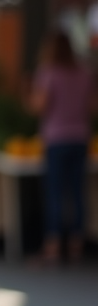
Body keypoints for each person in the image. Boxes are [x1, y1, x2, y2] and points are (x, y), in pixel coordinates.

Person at [30, 31, 93, 264]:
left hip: (56, 137)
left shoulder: (48, 73)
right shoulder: (83, 73)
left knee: (55, 192)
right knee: (77, 192)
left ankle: (54, 246)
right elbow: (91, 104)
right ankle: (76, 246)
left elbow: (40, 105)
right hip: (80, 137)